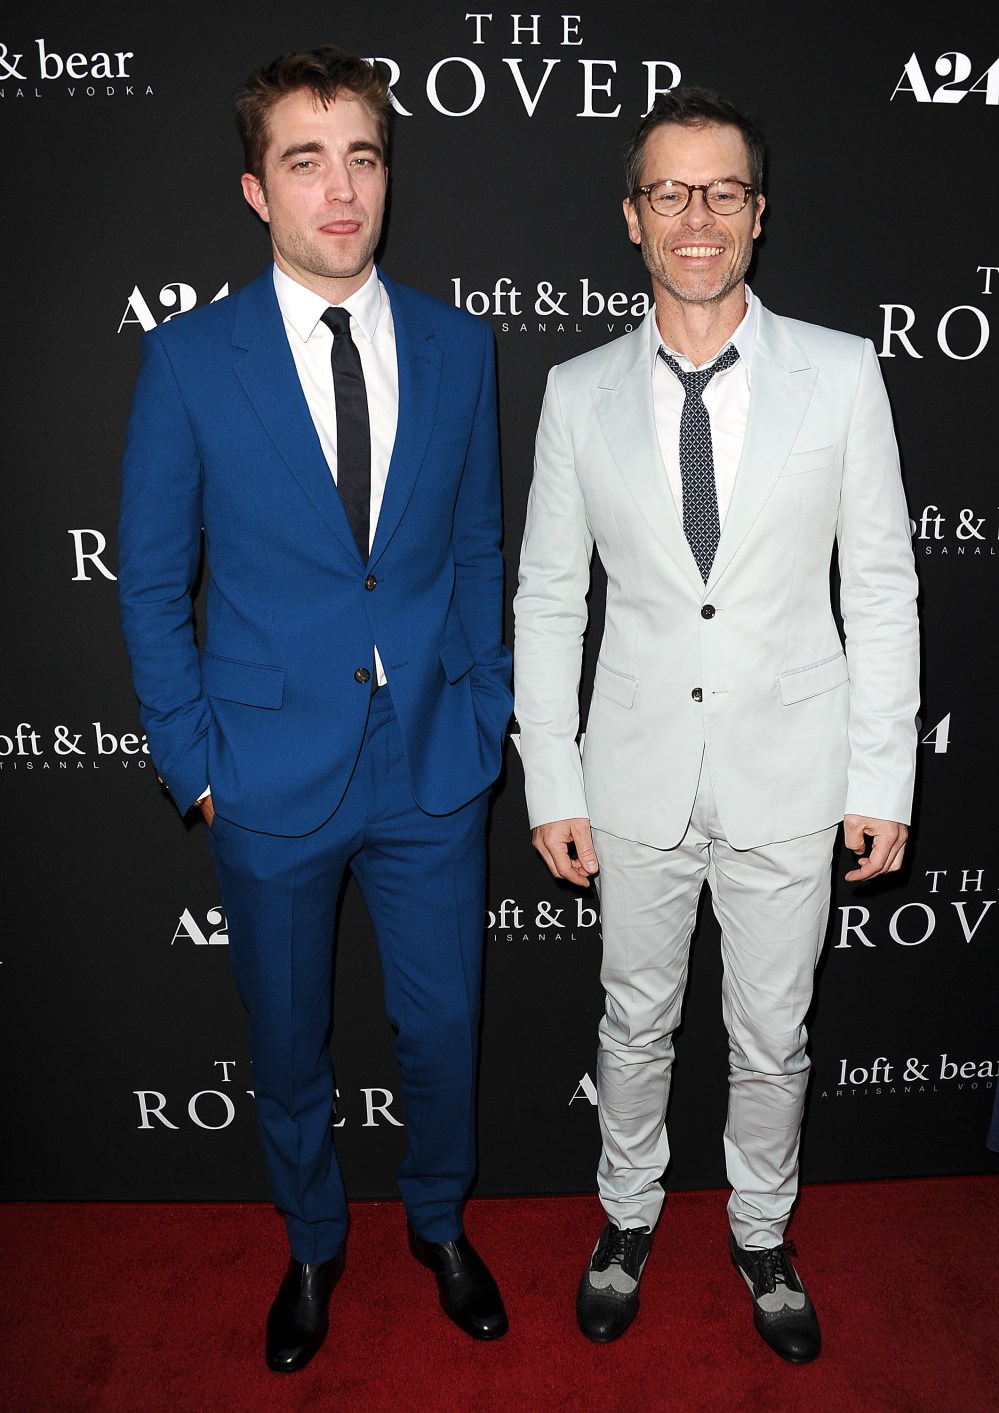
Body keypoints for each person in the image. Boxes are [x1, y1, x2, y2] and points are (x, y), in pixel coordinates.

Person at [118, 45, 513, 1372]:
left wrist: (484, 707)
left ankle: (439, 1223)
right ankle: (309, 1243)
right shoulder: (189, 362)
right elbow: (151, 583)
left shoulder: (459, 348)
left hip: (431, 760)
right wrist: (195, 763)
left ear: (387, 175)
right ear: (256, 188)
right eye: (305, 161)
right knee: (288, 1041)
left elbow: (475, 550)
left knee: (443, 1029)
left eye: (361, 158)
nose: (340, 191)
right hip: (263, 770)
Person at [513, 88, 919, 1362]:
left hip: (792, 774)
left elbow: (882, 587)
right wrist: (552, 781)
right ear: (633, 217)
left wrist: (883, 778)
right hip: (633, 775)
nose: (698, 216)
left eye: (723, 191)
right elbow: (549, 598)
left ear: (758, 212)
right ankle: (626, 1217)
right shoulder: (577, 391)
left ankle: (760, 1231)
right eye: (671, 192)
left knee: (772, 1036)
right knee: (632, 1025)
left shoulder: (841, 374)